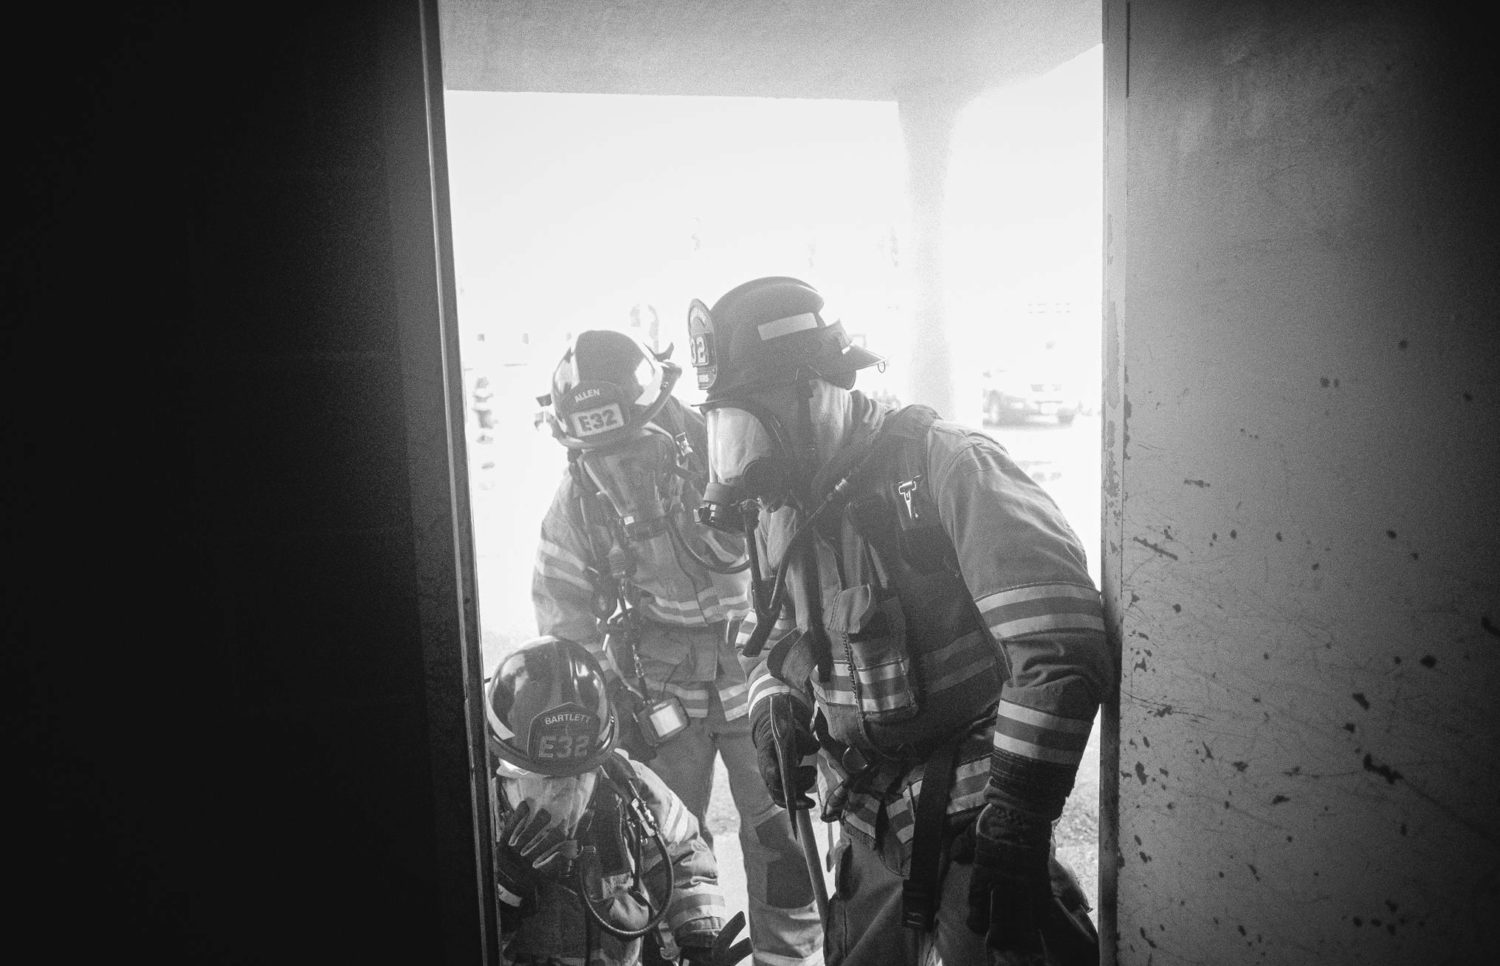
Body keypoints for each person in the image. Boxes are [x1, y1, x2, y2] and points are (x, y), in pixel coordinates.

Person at [684, 277, 1110, 966]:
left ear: (816, 391)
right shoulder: (781, 513)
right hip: (867, 824)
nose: (744, 459)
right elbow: (776, 636)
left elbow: (1057, 647)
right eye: (727, 430)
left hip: (978, 817)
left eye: (752, 423)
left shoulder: (951, 469)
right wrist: (775, 707)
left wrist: (1019, 812)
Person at [533, 330, 826, 966]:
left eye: (629, 447)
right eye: (595, 453)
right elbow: (563, 610)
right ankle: (686, 956)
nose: (615, 468)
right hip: (659, 689)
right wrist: (605, 702)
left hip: (756, 672)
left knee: (783, 837)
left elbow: (800, 556)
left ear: (660, 414)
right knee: (659, 842)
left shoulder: (730, 453)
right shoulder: (578, 500)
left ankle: (788, 960)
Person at [486, 635, 752, 966]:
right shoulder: (475, 813)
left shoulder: (632, 789)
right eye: (543, 781)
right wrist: (504, 891)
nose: (562, 799)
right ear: (504, 766)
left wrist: (699, 937)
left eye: (577, 778)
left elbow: (684, 857)